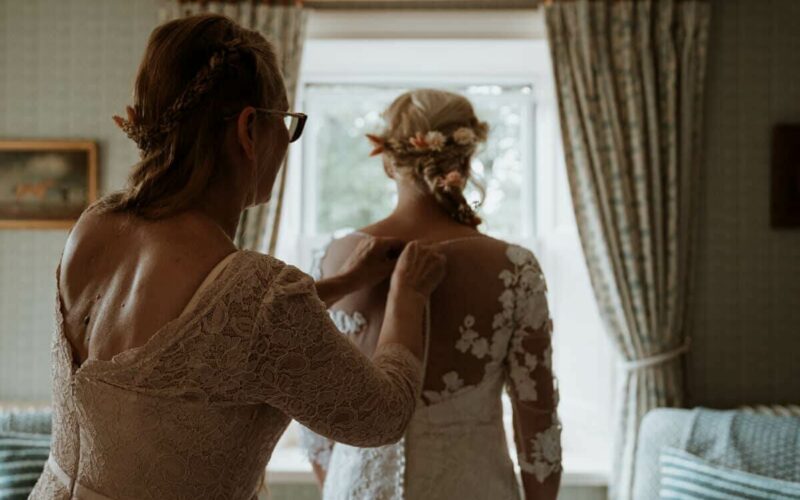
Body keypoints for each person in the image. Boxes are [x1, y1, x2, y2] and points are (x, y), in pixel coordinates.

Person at [30, 15, 446, 500]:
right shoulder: (261, 295)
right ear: (250, 129)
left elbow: (217, 337)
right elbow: (381, 417)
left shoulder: (95, 228)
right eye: (286, 124)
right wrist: (408, 297)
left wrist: (348, 280)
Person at [301, 89, 561, 499]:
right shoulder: (514, 268)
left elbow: (312, 410)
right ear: (465, 159)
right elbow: (536, 419)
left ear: (388, 160)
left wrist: (343, 481)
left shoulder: (334, 259)